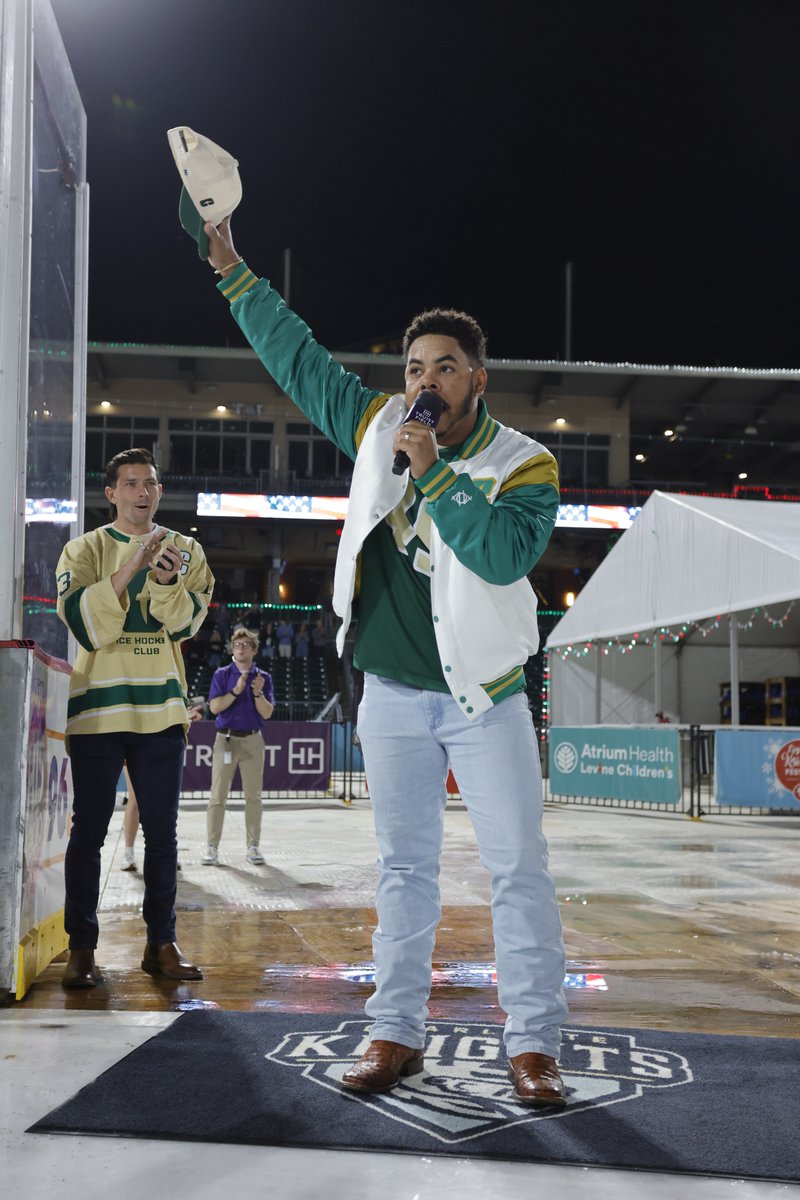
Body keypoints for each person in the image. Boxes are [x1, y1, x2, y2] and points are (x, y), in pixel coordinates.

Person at [200, 218, 568, 1108]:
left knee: (517, 868)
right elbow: (300, 361)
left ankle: (535, 1046)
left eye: (442, 366)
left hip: (489, 699)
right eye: (412, 368)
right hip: (395, 693)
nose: (423, 382)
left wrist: (435, 472)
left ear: (477, 378)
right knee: (403, 870)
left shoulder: (528, 464)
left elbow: (502, 558)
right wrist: (233, 271)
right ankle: (395, 1031)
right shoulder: (376, 427)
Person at [55, 447, 214, 987]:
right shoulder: (83, 549)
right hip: (98, 707)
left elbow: (188, 623)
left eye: (150, 483)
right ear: (111, 493)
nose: (142, 492)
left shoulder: (187, 549)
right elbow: (81, 621)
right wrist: (135, 566)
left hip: (162, 710)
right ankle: (81, 949)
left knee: (164, 835)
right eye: (130, 483)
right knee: (89, 833)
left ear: (159, 491)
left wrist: (167, 583)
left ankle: (161, 945)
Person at [203, 626, 275, 865]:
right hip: (226, 739)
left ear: (254, 650)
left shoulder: (263, 678)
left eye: (245, 645)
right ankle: (212, 848)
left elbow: (267, 713)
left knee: (253, 797)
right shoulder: (222, 675)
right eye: (237, 645)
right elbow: (214, 708)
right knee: (217, 796)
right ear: (232, 649)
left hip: (253, 740)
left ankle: (253, 847)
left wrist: (257, 694)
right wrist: (235, 691)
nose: (240, 649)